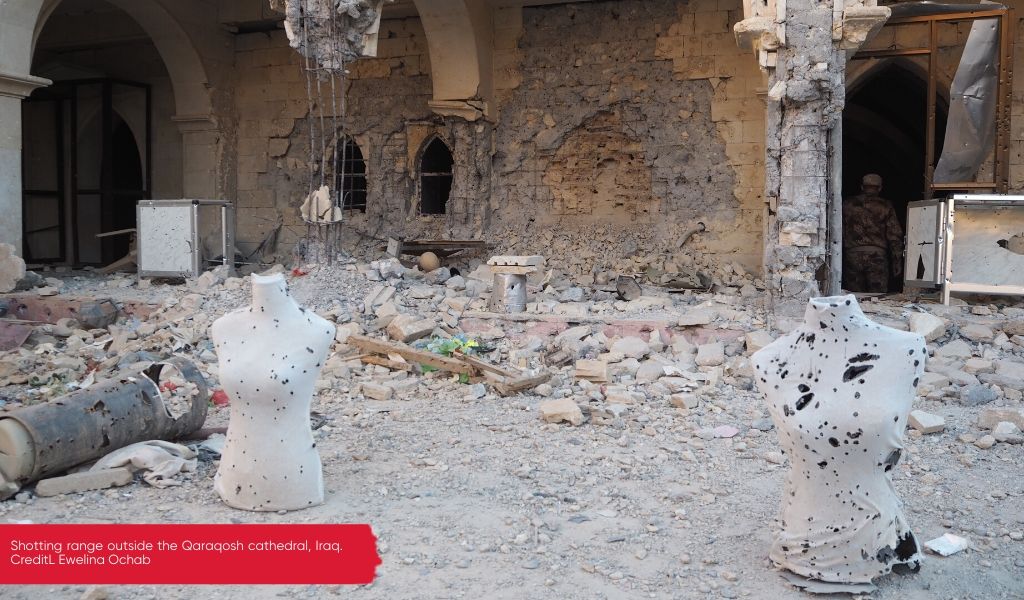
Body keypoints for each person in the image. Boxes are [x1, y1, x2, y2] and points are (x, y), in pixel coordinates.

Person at [842, 173, 904, 293]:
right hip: (877, 257)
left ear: (862, 187)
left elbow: (838, 230)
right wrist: (897, 262)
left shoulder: (847, 204)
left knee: (853, 297)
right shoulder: (886, 206)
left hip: (852, 256)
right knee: (877, 297)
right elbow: (894, 236)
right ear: (880, 188)